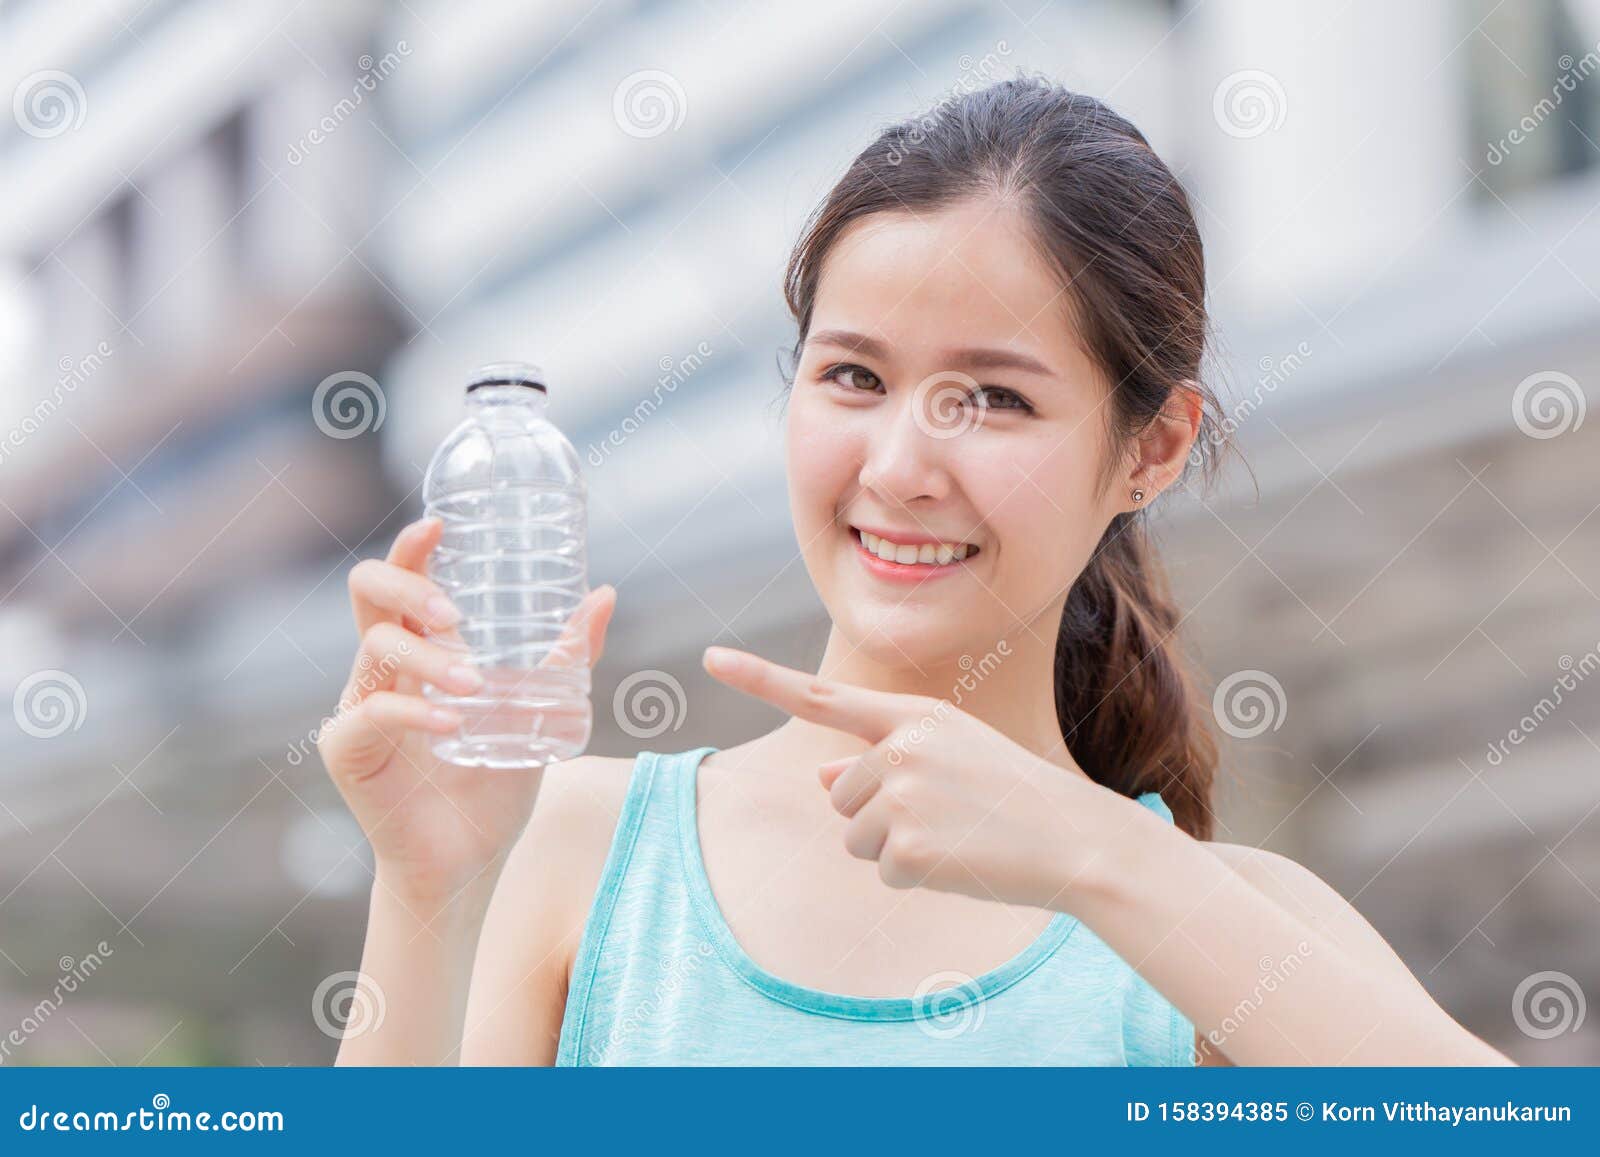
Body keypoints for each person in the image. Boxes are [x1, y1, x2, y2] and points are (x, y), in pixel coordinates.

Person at [318, 75, 1512, 1066]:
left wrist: (1102, 859)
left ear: (1149, 448)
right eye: (852, 377)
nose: (897, 466)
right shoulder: (573, 843)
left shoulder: (1217, 926)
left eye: (992, 398)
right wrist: (427, 889)